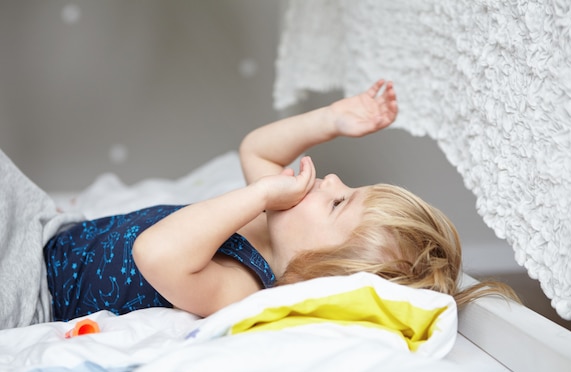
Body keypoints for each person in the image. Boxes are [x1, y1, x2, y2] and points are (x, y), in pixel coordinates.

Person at [42, 79, 516, 323]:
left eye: (337, 203)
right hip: (57, 235)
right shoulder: (277, 225)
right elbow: (258, 149)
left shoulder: (243, 287)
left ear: (314, 274)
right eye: (347, 188)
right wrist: (332, 119)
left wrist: (263, 192)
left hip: (38, 284)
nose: (330, 179)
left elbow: (155, 253)